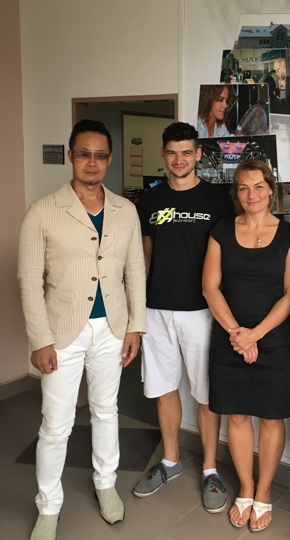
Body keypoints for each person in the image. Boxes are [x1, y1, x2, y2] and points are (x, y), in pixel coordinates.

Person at [18, 119, 147, 540]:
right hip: (61, 333)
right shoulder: (42, 211)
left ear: (109, 159)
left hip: (112, 329)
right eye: (84, 154)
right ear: (71, 155)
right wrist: (40, 340)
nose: (92, 162)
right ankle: (48, 506)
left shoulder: (125, 210)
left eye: (100, 155)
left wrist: (135, 327)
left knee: (106, 410)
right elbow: (29, 279)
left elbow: (134, 271)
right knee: (56, 424)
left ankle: (106, 484)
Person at [133, 122, 235, 513]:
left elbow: (228, 256)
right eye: (172, 153)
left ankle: (209, 469)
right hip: (156, 309)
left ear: (198, 155)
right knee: (163, 387)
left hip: (202, 311)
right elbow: (144, 255)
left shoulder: (219, 200)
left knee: (206, 393)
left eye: (187, 152)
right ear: (164, 155)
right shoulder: (149, 200)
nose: (179, 160)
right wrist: (136, 307)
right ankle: (171, 460)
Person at [202, 159, 290, 533]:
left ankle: (264, 491)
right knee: (238, 415)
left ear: (271, 190)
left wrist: (254, 335)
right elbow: (210, 287)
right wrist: (237, 335)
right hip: (229, 338)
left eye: (259, 186)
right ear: (236, 192)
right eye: (243, 187)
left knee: (272, 418)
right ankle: (245, 488)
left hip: (274, 341)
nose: (251, 194)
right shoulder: (221, 230)